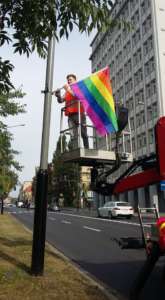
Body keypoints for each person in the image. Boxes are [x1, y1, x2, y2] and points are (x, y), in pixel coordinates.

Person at [54, 74, 89, 149]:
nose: (68, 81)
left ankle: (87, 148)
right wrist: (58, 95)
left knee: (83, 133)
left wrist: (68, 89)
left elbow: (78, 96)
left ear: (75, 80)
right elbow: (61, 100)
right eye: (68, 80)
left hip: (79, 114)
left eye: (70, 79)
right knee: (72, 134)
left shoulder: (79, 88)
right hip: (70, 115)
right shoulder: (67, 91)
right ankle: (76, 149)